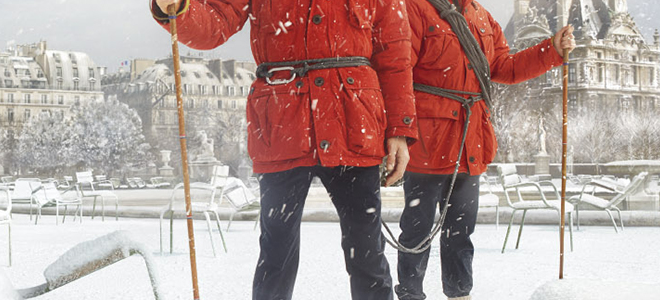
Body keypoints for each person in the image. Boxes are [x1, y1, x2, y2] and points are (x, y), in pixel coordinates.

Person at [150, 1, 418, 299]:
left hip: (353, 124)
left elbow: (394, 54)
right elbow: (217, 21)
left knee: (367, 250)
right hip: (283, 127)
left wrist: (400, 129)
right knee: (277, 251)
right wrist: (178, 8)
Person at [396, 0, 575, 299]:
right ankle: (410, 295)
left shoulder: (483, 17)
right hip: (427, 145)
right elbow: (400, 73)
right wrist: (398, 132)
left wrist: (551, 50)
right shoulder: (415, 8)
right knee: (417, 232)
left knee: (461, 233)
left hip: (471, 144)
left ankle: (460, 294)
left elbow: (506, 67)